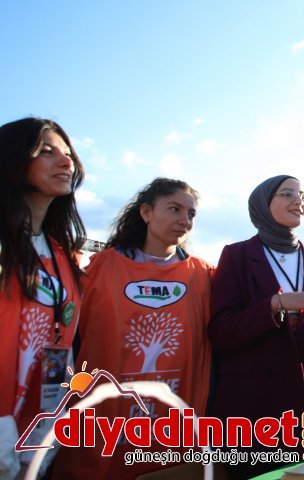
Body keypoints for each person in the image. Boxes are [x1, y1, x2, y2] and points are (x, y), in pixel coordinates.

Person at [52, 177, 215, 479]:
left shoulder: (203, 274)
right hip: (103, 422)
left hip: (172, 426)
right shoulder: (98, 267)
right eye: (175, 209)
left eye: (191, 214)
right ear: (146, 212)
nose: (185, 220)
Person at [208, 175, 304, 479]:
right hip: (257, 411)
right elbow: (222, 334)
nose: (298, 201)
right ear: (262, 203)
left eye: (302, 195)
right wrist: (276, 303)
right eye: (287, 194)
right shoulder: (237, 256)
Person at [0, 118, 86, 478]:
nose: (66, 162)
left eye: (68, 154)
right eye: (47, 152)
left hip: (38, 428)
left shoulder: (64, 255)